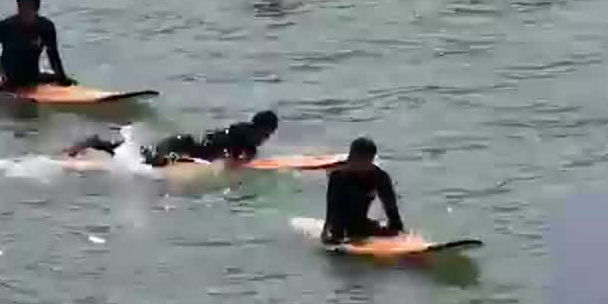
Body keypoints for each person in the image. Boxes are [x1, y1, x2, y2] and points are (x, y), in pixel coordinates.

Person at [65, 111, 280, 166]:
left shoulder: (245, 133)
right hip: (181, 146)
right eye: (268, 133)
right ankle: (95, 143)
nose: (267, 138)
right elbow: (242, 153)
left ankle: (99, 144)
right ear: (263, 128)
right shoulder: (248, 135)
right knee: (147, 161)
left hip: (184, 144)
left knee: (140, 155)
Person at [0, 0, 71, 90]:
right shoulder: (6, 26)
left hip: (32, 75)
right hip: (8, 77)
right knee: (2, 92)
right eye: (20, 8)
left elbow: (53, 54)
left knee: (65, 80)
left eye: (27, 9)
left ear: (36, 9)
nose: (23, 12)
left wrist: (62, 78)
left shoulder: (46, 27)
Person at [320, 138, 403, 244]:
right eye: (353, 158)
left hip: (361, 224)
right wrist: (327, 232)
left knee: (390, 229)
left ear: (371, 159)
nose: (353, 162)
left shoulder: (380, 177)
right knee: (336, 236)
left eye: (360, 160)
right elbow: (332, 208)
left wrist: (399, 233)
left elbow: (391, 209)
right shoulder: (338, 177)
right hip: (340, 225)